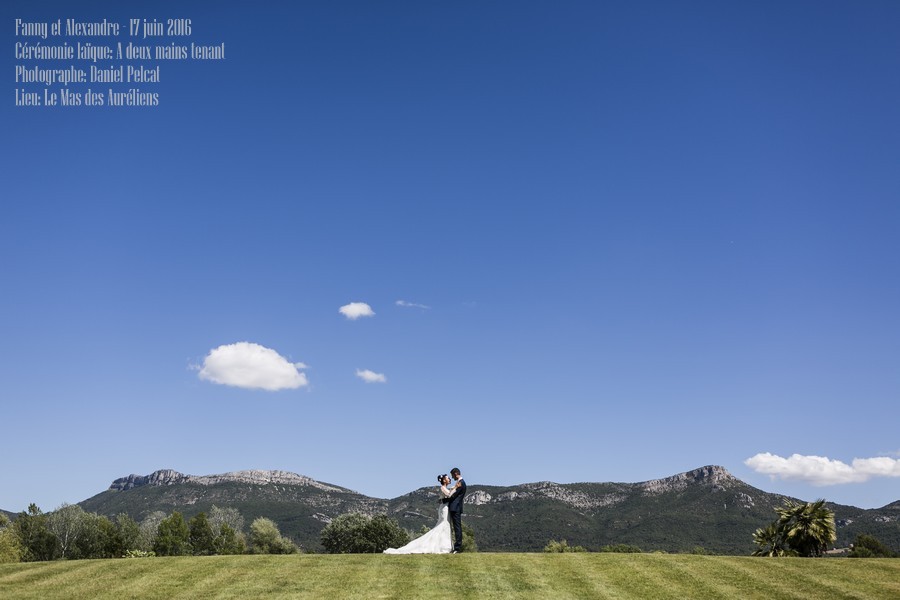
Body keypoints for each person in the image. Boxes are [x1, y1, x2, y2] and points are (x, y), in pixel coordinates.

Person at [383, 474, 454, 554]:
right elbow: (449, 495)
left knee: (445, 525)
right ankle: (443, 546)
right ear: (444, 480)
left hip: (446, 507)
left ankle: (444, 545)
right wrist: (455, 488)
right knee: (443, 525)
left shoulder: (446, 488)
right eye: (448, 478)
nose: (450, 479)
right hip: (444, 509)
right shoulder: (442, 488)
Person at [447, 467, 467, 553]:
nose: (452, 477)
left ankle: (457, 548)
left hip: (455, 508)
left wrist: (444, 500)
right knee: (456, 527)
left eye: (452, 475)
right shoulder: (460, 483)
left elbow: (453, 496)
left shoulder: (461, 483)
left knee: (457, 527)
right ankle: (455, 547)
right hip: (455, 507)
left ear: (455, 474)